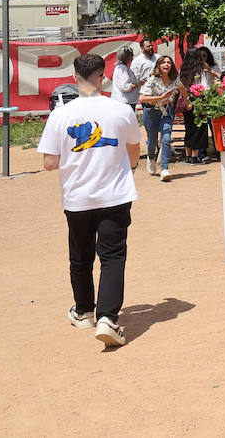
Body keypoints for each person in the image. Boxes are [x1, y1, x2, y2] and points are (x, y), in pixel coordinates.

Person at [39, 53, 141, 347]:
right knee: (112, 257)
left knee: (80, 257)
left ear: (75, 78)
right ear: (103, 76)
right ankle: (108, 317)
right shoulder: (121, 110)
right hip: (115, 195)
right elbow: (134, 150)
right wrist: (127, 167)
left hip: (78, 198)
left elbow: (48, 162)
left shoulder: (60, 114)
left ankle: (84, 311)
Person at [139, 55, 179, 182]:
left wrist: (187, 99)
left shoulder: (174, 79)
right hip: (151, 112)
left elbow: (182, 87)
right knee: (152, 140)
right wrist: (161, 97)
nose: (166, 64)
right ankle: (151, 157)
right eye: (163, 63)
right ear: (159, 66)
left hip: (166, 112)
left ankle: (165, 169)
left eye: (169, 62)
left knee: (166, 138)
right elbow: (142, 98)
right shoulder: (152, 80)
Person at [177, 47, 213, 165]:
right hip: (199, 100)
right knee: (200, 128)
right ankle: (195, 157)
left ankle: (187, 156)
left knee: (189, 128)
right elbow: (205, 87)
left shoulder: (183, 70)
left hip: (187, 101)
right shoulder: (201, 70)